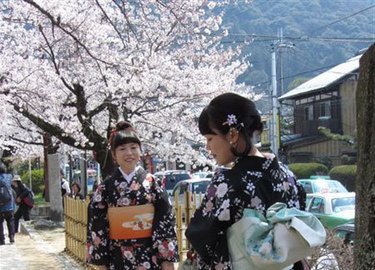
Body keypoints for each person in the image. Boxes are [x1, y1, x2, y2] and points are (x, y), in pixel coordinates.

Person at [185, 93, 307, 269]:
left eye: (210, 138)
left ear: (232, 134)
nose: (207, 146)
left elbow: (202, 237)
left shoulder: (226, 183)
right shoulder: (289, 177)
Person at [86, 121, 178, 270]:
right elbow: (97, 224)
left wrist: (167, 260)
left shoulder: (153, 183)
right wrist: (102, 263)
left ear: (140, 151)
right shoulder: (105, 188)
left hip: (149, 255)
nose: (129, 153)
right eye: (122, 149)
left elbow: (165, 219)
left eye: (133, 148)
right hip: (117, 257)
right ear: (114, 155)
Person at [0, 162, 15, 245]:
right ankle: (12, 237)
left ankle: (1, 240)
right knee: (10, 220)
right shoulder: (9, 176)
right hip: (8, 203)